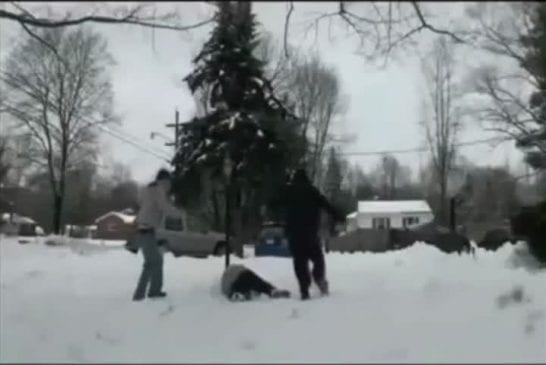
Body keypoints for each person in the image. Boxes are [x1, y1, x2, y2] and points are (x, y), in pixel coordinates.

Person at [283, 168, 345, 301]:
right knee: (317, 258)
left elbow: (274, 203)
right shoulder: (312, 191)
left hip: (294, 234)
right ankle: (319, 277)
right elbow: (326, 205)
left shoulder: (288, 192)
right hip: (309, 233)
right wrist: (339, 216)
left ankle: (304, 290)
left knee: (299, 262)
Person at [132, 168, 179, 301]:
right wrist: (179, 213)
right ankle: (141, 294)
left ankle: (153, 291)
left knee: (155, 261)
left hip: (144, 229)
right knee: (152, 262)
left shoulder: (148, 190)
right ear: (164, 181)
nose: (170, 186)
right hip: (146, 230)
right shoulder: (158, 190)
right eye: (169, 183)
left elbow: (143, 204)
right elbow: (164, 207)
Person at [221, 264, 291, 301]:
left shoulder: (228, 275)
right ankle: (271, 290)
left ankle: (241, 293)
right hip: (241, 276)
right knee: (257, 282)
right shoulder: (242, 271)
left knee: (254, 283)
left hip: (232, 284)